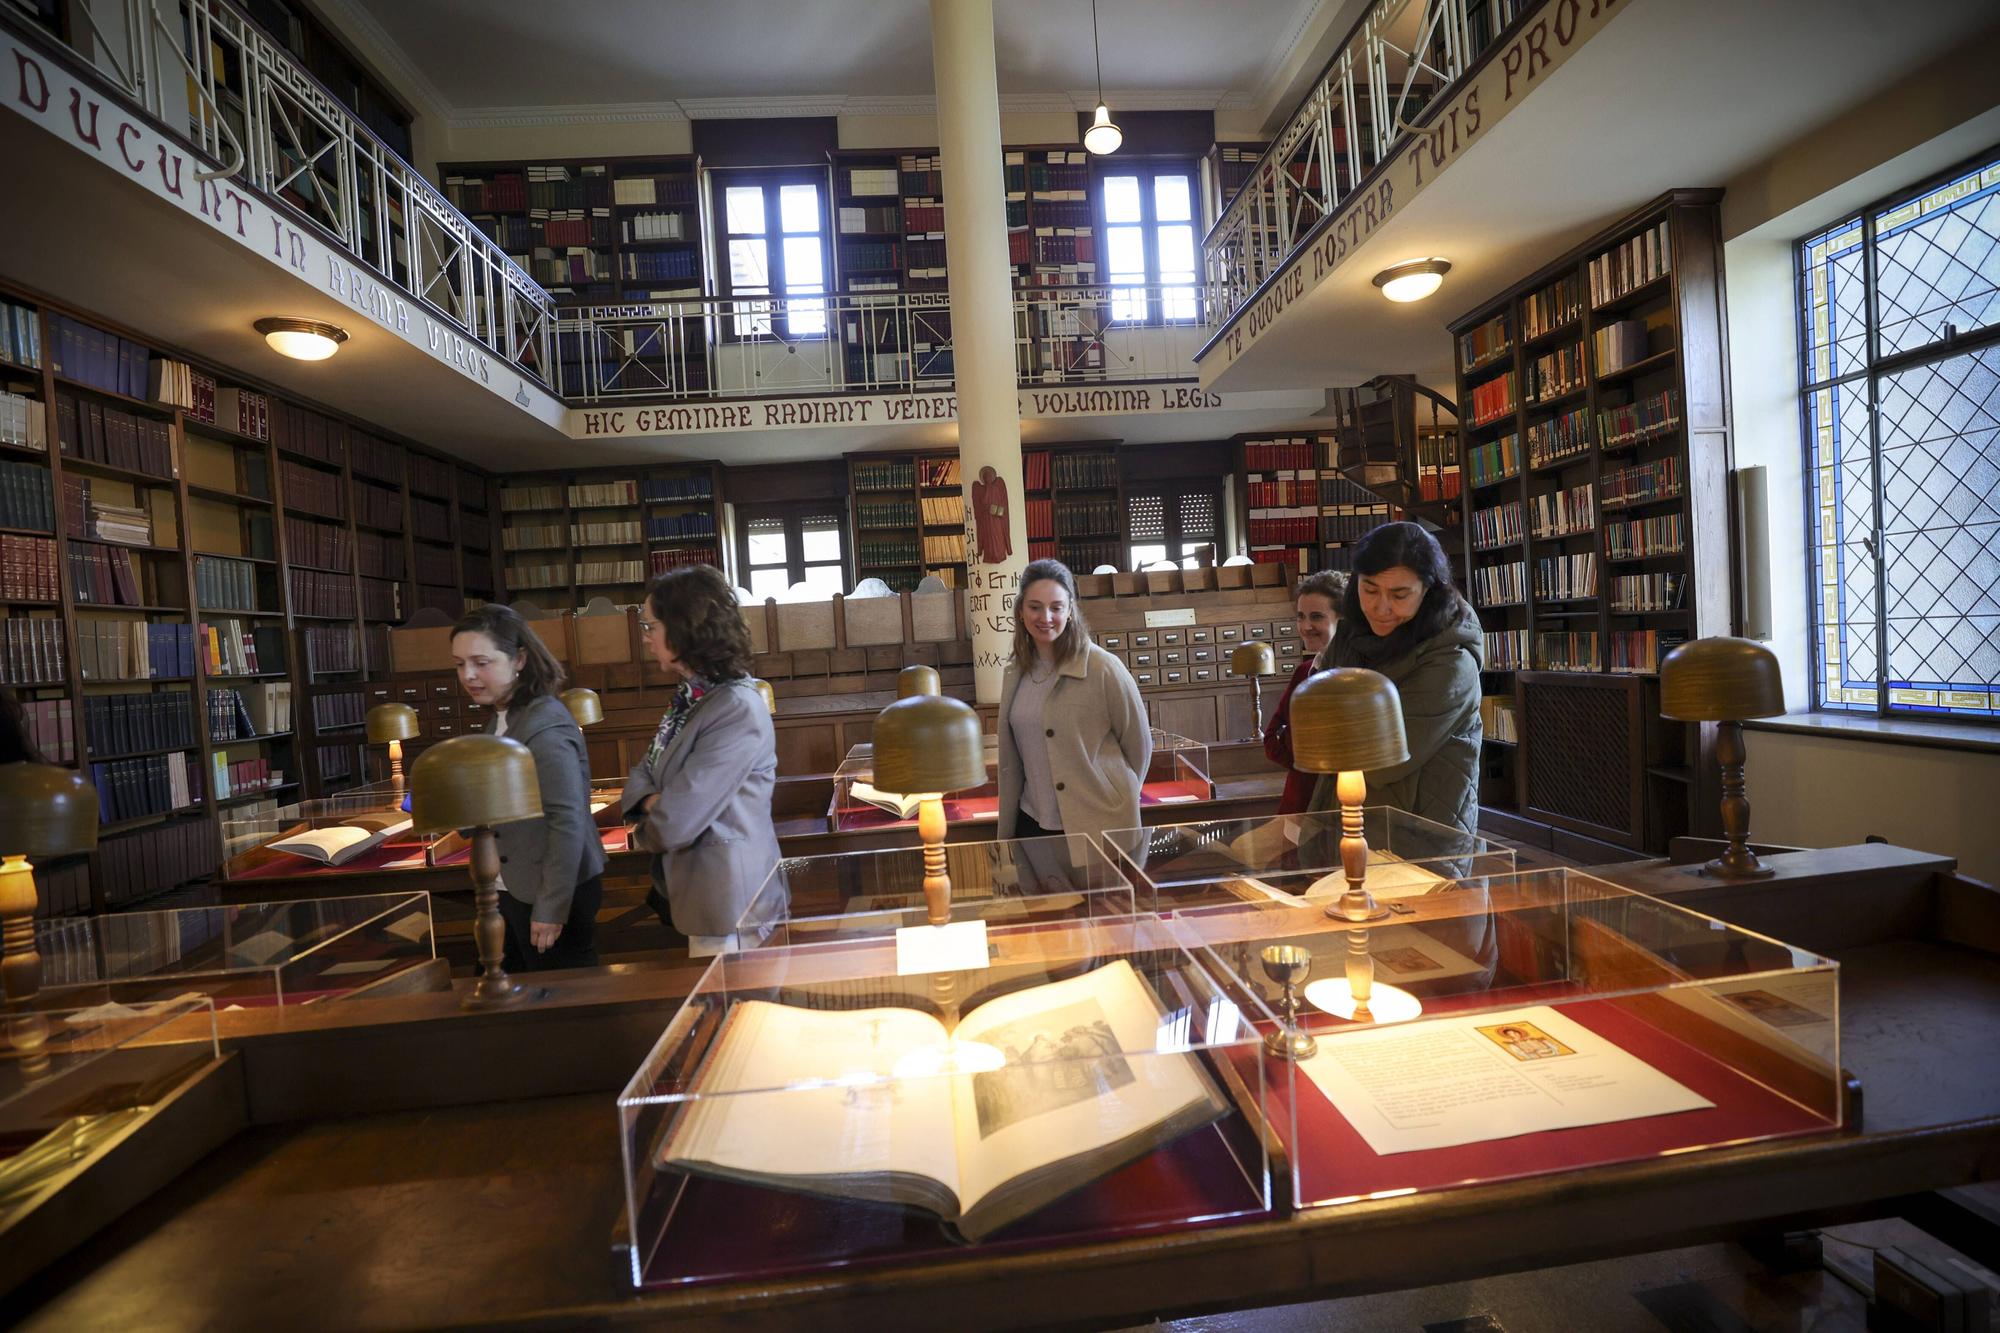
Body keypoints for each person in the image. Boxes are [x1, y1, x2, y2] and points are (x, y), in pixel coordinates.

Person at [621, 565, 783, 952]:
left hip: (731, 903)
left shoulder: (734, 707)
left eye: (651, 626)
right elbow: (644, 770)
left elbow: (675, 823)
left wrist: (651, 818)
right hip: (705, 892)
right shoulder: (691, 697)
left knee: (734, 1010)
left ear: (683, 628)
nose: (646, 638)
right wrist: (652, 799)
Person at [451, 605, 604, 971]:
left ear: (519, 658)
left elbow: (567, 819)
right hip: (514, 885)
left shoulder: (544, 724)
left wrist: (551, 908)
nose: (469, 675)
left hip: (547, 892)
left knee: (560, 1005)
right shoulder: (504, 718)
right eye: (459, 664)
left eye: (481, 662)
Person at [1306, 522, 1483, 835]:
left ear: (1429, 591)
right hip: (1343, 825)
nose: (1381, 607)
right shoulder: (1350, 635)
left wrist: (1333, 726)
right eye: (1370, 589)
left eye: (1400, 595)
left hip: (1418, 841)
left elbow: (1380, 762)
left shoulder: (1452, 663)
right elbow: (1312, 735)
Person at [997, 558, 1152, 847]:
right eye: (1035, 606)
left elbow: (1139, 748)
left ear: (1070, 610)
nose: (1046, 617)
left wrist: (1116, 798)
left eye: (1056, 607)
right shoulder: (1015, 672)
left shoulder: (1104, 668)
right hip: (1030, 822)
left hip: (1097, 825)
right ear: (1020, 611)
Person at [1263, 569, 1348, 814]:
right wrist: (1302, 763)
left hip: (1341, 805)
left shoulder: (1356, 679)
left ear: (1341, 620)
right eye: (1300, 616)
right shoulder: (1304, 672)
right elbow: (1271, 737)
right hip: (1298, 800)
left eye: (1317, 617)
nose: (1306, 626)